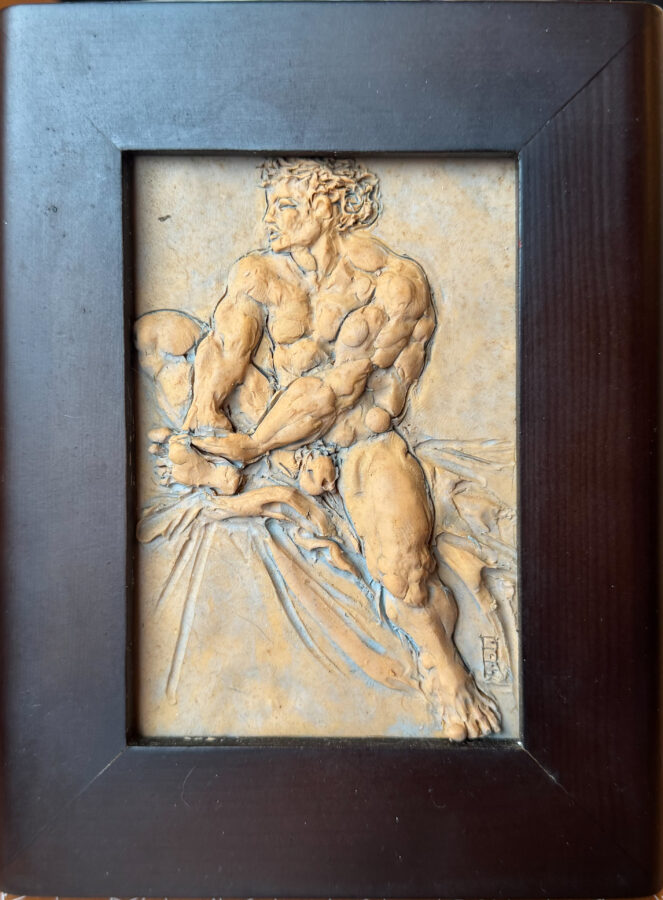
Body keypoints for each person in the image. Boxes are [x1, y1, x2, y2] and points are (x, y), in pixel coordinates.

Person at [137, 158, 500, 740]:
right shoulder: (259, 273)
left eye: (286, 206)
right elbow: (227, 349)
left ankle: (446, 667)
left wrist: (252, 445)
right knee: (166, 335)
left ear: (330, 209)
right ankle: (218, 469)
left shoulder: (394, 284)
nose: (270, 218)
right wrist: (205, 419)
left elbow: (338, 389)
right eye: (271, 204)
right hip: (274, 425)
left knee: (405, 572)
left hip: (359, 439)